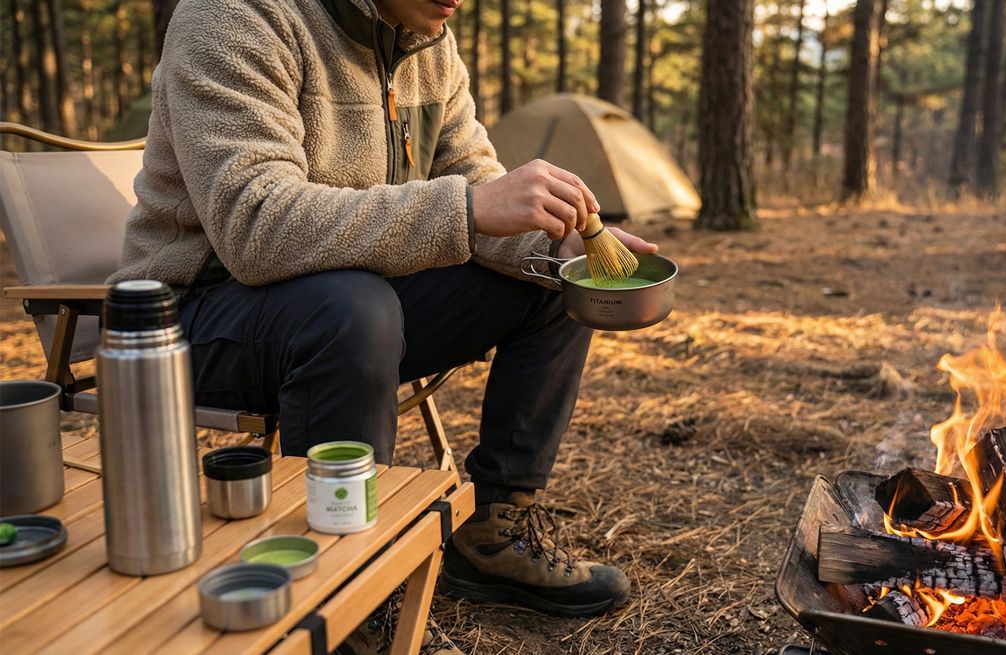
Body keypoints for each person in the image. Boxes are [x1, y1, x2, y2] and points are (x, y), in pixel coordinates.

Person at [111, 0, 656, 650]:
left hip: (350, 305)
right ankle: (344, 594)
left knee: (549, 279)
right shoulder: (236, 15)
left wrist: (562, 246)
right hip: (195, 317)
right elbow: (254, 225)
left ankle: (492, 531)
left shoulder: (427, 39)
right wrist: (470, 204)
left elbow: (472, 183)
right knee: (350, 308)